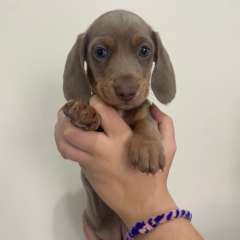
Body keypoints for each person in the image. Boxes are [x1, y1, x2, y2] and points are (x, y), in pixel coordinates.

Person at [54, 96, 204, 240]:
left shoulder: (142, 112)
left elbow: (148, 122)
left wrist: (148, 205)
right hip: (103, 226)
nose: (126, 89)